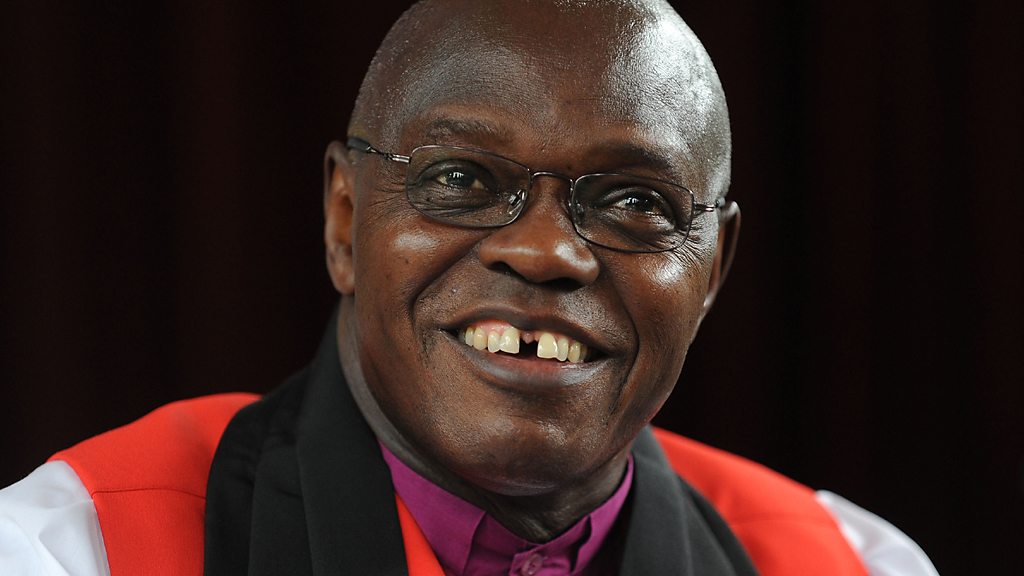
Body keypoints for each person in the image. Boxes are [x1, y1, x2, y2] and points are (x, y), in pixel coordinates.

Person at [0, 1, 939, 574]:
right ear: (344, 222)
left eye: (634, 202)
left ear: (713, 272)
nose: (545, 252)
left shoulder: (847, 563)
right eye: (460, 179)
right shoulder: (76, 549)